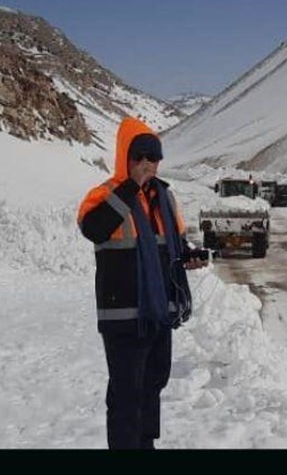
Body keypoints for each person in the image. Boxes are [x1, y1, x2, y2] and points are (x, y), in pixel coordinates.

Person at [77, 116, 207, 449]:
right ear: (125, 157)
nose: (147, 164)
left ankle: (146, 446)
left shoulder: (165, 198)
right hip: (123, 318)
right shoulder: (105, 194)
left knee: (153, 385)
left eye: (153, 158)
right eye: (139, 157)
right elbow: (93, 228)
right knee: (126, 396)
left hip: (158, 313)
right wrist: (130, 187)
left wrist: (190, 256)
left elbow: (173, 244)